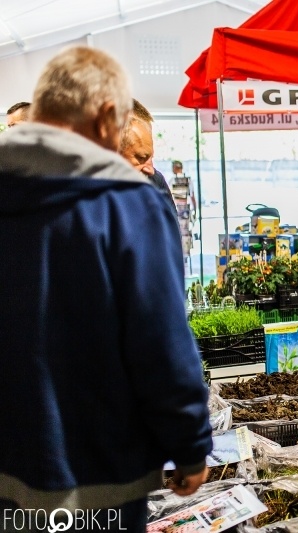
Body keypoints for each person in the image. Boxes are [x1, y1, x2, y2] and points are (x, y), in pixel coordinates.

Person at [0, 46, 212, 530]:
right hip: (103, 478)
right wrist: (190, 446)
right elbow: (159, 341)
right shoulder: (128, 206)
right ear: (106, 120)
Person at [119, 98, 175, 208]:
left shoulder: (156, 181)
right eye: (141, 158)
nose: (150, 170)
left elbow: (171, 224)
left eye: (150, 157)